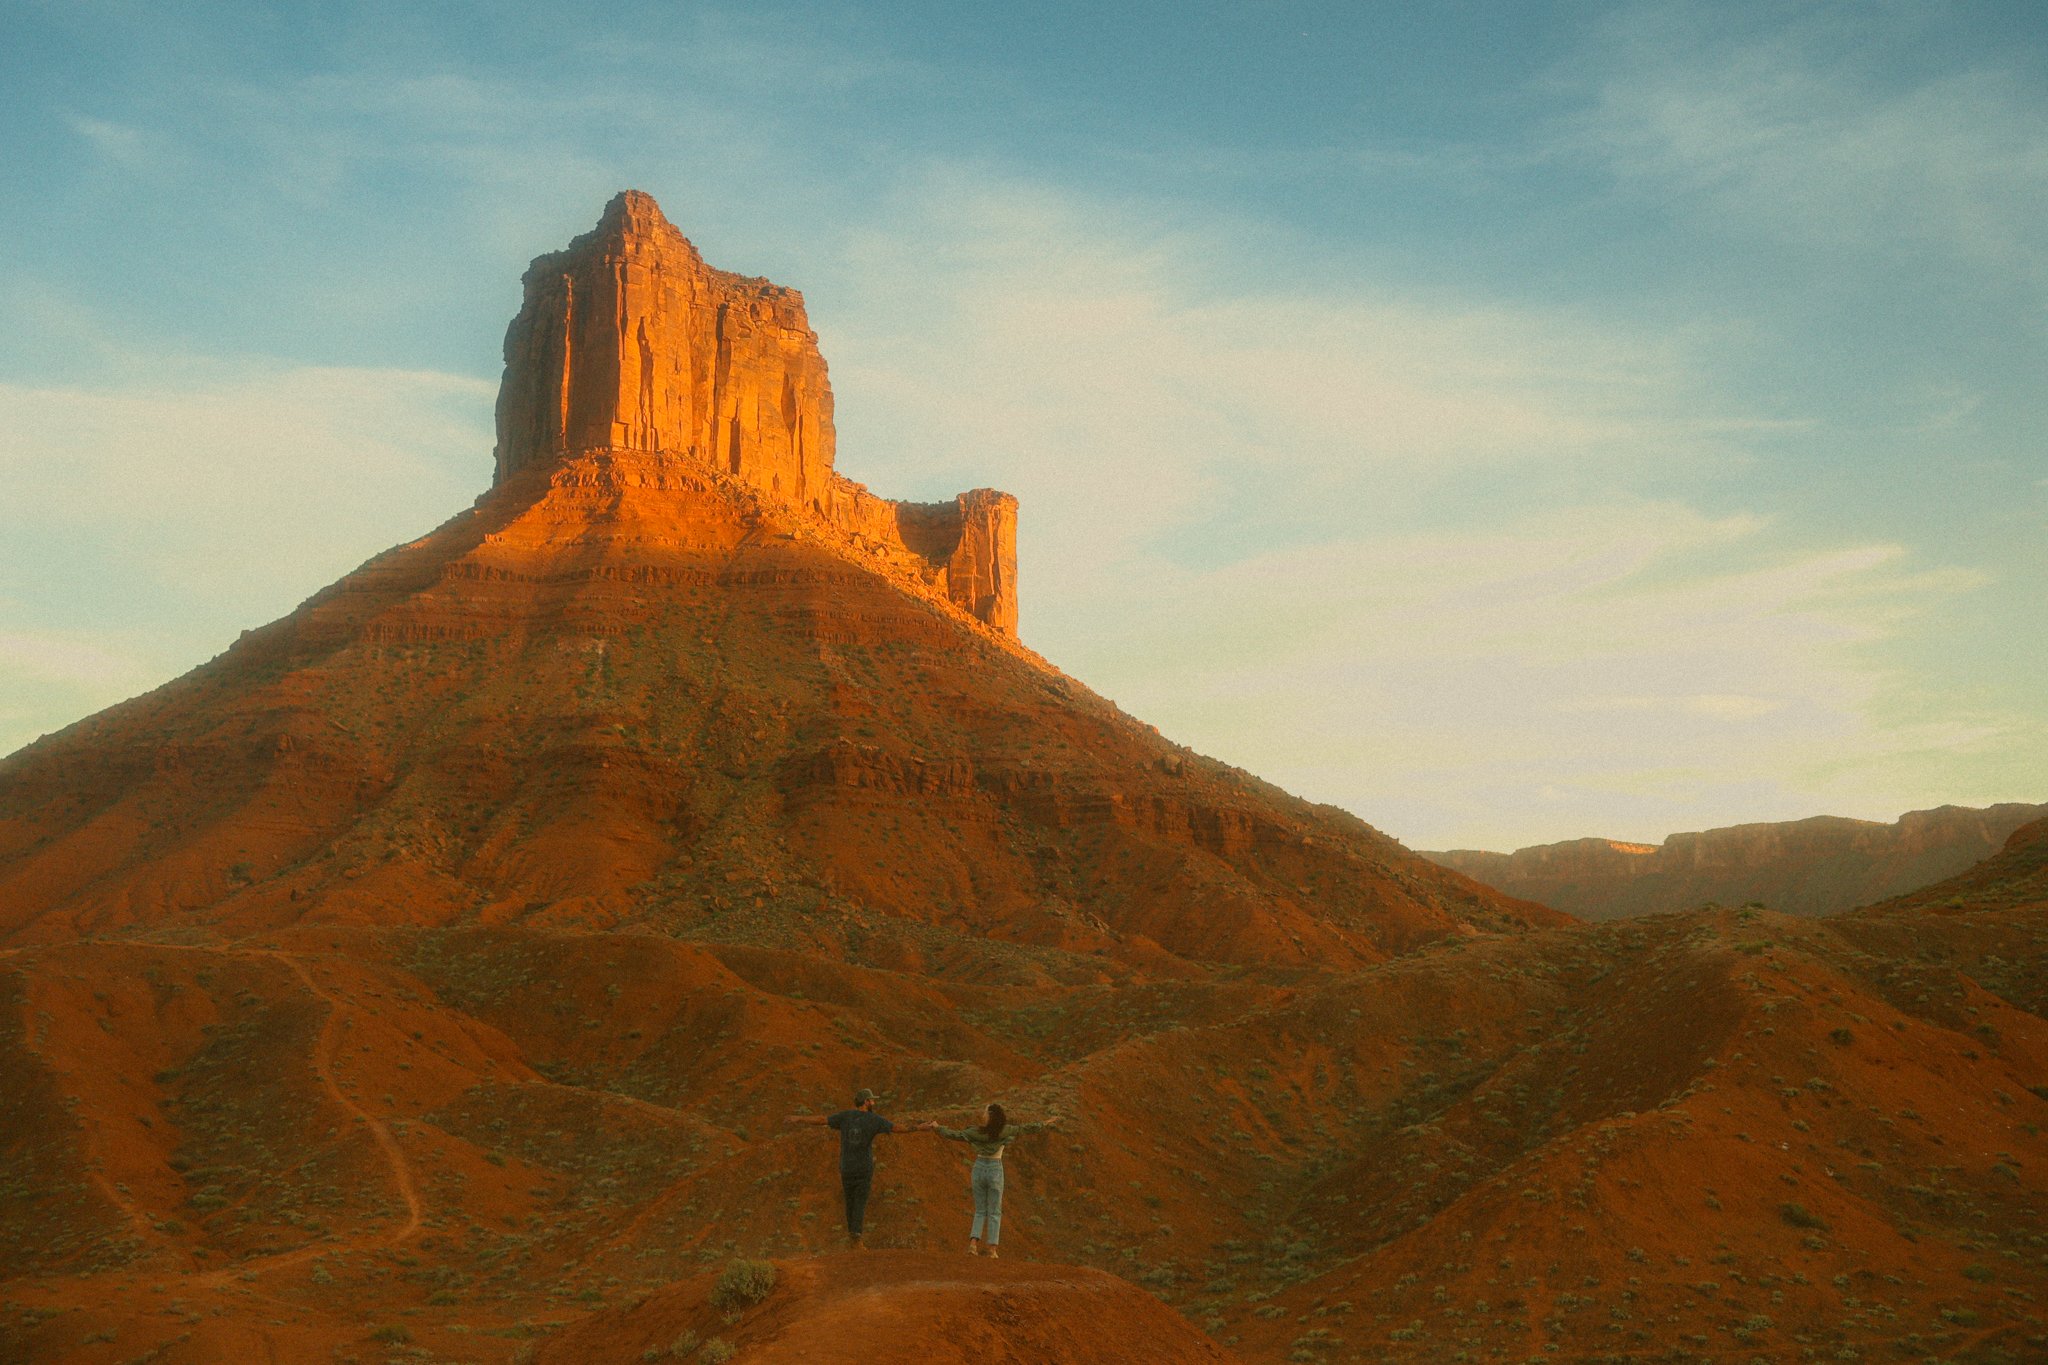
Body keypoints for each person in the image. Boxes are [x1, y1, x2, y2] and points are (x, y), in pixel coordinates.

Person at [783, 1088, 935, 1247]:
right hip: (863, 1168)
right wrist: (919, 1127)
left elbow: (822, 1119)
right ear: (866, 1102)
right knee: (860, 1201)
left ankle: (852, 1235)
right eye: (872, 1100)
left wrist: (798, 1118)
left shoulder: (845, 1116)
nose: (874, 1103)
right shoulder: (874, 1120)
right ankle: (856, 1236)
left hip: (846, 1167)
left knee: (849, 1202)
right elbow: (897, 1128)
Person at [934, 1102, 1060, 1258]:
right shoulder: (1005, 1131)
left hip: (979, 1168)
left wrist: (938, 1127)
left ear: (990, 1116)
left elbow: (955, 1134)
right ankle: (992, 1249)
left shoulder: (976, 1132)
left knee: (980, 1210)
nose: (983, 1115)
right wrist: (1045, 1123)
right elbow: (1025, 1128)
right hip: (995, 1170)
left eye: (985, 1112)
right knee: (994, 1211)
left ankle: (973, 1245)